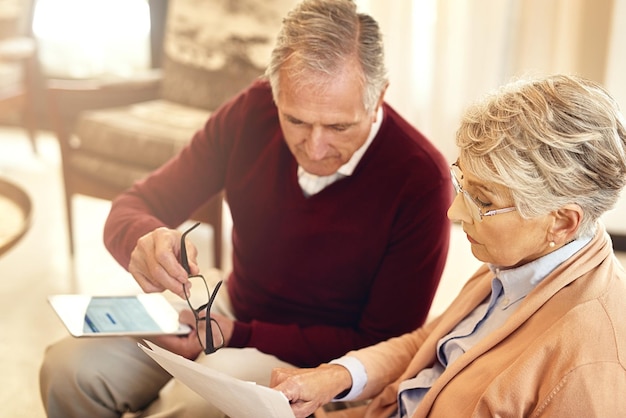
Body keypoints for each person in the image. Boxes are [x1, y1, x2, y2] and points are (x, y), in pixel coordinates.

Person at [39, 0, 452, 417]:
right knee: (69, 369)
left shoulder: (421, 180)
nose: (314, 147)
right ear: (274, 93)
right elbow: (137, 204)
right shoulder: (253, 111)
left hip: (319, 357)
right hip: (229, 308)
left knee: (199, 403)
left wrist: (241, 334)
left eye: (339, 127)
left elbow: (384, 345)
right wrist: (144, 240)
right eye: (296, 121)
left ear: (379, 95)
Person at [271, 74, 626, 418]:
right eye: (463, 184)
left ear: (563, 222)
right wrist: (334, 377)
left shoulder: (592, 362)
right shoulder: (524, 262)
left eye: (483, 200)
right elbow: (430, 344)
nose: (454, 211)